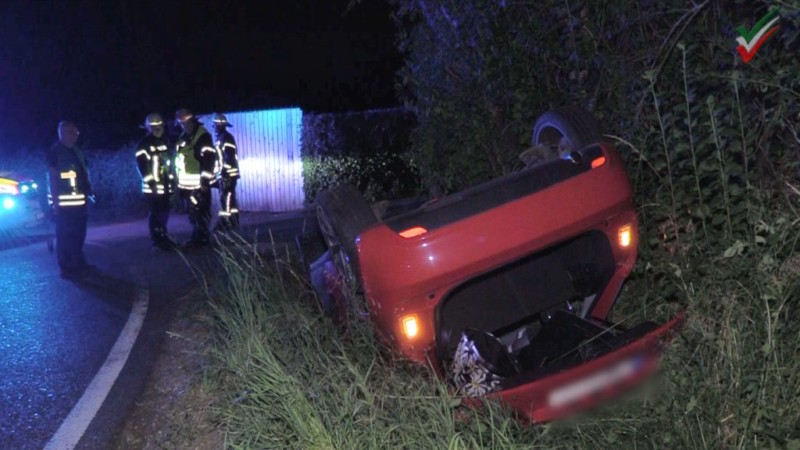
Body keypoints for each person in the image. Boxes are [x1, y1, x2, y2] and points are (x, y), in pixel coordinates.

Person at [46, 121, 94, 279]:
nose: (75, 135)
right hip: (64, 205)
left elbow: (83, 173)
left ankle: (79, 263)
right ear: (64, 133)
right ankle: (66, 267)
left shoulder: (77, 151)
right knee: (65, 237)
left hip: (80, 202)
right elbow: (52, 179)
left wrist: (89, 191)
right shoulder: (55, 152)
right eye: (72, 132)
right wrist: (54, 204)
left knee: (79, 235)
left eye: (76, 133)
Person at [174, 108, 217, 248]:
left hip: (199, 185)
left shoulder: (203, 136)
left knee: (201, 212)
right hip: (186, 186)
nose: (184, 126)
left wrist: (204, 182)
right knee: (193, 213)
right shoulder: (183, 137)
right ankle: (198, 238)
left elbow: (209, 160)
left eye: (185, 122)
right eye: (181, 123)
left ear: (192, 121)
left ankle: (201, 240)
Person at [135, 113, 178, 251]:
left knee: (164, 213)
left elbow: (169, 163)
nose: (157, 129)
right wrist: (151, 183)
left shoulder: (165, 142)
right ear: (148, 128)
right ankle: (157, 240)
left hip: (165, 186)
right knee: (155, 214)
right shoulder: (144, 144)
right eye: (154, 127)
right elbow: (142, 166)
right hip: (152, 188)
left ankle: (163, 236)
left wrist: (171, 181)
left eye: (159, 126)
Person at [211, 113, 240, 232]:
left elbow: (229, 158)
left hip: (228, 175)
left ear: (219, 126)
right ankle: (232, 222)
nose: (213, 127)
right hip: (226, 175)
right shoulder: (222, 138)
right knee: (228, 199)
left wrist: (224, 173)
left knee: (226, 199)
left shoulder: (226, 138)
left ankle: (226, 223)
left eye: (214, 125)